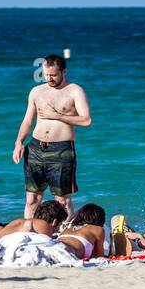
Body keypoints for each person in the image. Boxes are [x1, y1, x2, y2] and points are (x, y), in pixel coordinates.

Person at [11, 54, 91, 219]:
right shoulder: (36, 91)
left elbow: (86, 120)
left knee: (62, 200)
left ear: (64, 71)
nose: (49, 78)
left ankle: (65, 233)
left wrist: (57, 116)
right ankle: (29, 232)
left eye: (54, 75)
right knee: (32, 198)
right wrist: (19, 142)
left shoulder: (75, 90)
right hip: (35, 148)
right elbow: (27, 120)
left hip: (61, 149)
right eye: (46, 75)